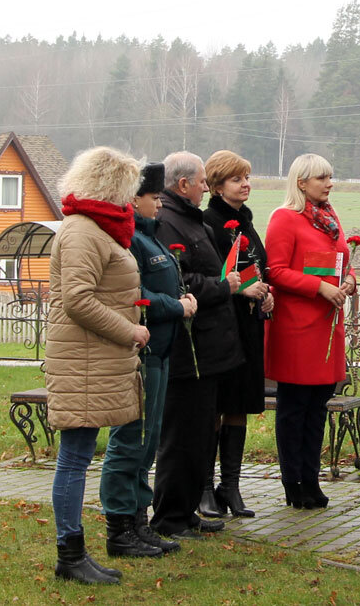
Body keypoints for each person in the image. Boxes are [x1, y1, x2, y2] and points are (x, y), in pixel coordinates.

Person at [46, 146, 149, 584]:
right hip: (82, 362)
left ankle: (74, 554)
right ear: (111, 186)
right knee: (74, 458)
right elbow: (78, 300)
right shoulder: (83, 231)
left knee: (79, 455)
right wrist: (130, 331)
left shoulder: (98, 228)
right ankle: (70, 556)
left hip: (91, 360)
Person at [151, 151, 250, 538]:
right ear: (183, 184)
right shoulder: (168, 223)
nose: (206, 188)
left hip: (209, 350)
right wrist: (223, 286)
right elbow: (178, 281)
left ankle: (187, 509)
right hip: (188, 350)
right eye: (203, 181)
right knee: (181, 438)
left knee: (199, 435)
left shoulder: (191, 220)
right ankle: (169, 516)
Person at [98, 162, 194, 560]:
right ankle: (120, 526)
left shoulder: (151, 238)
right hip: (143, 352)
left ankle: (139, 520)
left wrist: (180, 298)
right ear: (134, 199)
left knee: (147, 441)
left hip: (161, 351)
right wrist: (177, 306)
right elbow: (134, 294)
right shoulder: (130, 240)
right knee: (131, 440)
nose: (160, 203)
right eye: (155, 197)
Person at [265, 153, 356, 509]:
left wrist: (349, 280)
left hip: (327, 326)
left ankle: (311, 477)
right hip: (297, 327)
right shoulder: (284, 219)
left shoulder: (330, 218)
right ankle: (293, 482)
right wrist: (318, 288)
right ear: (301, 183)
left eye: (330, 177)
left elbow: (342, 261)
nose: (329, 183)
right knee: (294, 408)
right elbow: (276, 271)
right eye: (322, 178)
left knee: (318, 405)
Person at [201, 151, 274, 518]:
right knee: (216, 406)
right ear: (216, 186)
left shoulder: (246, 220)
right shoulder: (209, 223)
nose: (245, 184)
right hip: (222, 326)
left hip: (249, 327)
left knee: (239, 405)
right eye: (236, 179)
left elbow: (260, 267)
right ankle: (204, 485)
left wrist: (266, 293)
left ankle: (230, 485)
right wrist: (242, 290)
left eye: (246, 177)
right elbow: (213, 274)